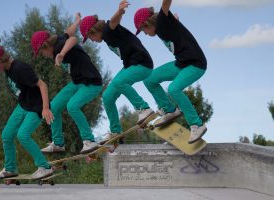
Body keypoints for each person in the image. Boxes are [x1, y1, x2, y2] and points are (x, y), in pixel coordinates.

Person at [80, 0, 168, 144]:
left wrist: (120, 12)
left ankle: (144, 109)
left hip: (142, 64)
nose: (92, 40)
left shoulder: (108, 31)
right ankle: (116, 131)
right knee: (108, 96)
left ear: (93, 31)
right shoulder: (107, 37)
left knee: (121, 82)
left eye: (90, 37)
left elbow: (113, 22)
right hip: (130, 66)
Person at [134, 0, 208, 144]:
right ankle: (169, 109)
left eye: (144, 31)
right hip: (181, 64)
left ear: (147, 23)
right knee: (149, 79)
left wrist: (171, 18)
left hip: (195, 64)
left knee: (174, 89)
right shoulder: (166, 24)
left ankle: (197, 125)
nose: (146, 34)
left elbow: (166, 4)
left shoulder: (162, 20)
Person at [31, 13, 103, 153]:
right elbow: (69, 32)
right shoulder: (59, 39)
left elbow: (74, 39)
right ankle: (58, 143)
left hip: (91, 82)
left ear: (45, 45)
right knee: (53, 107)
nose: (42, 55)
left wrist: (62, 54)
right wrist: (77, 22)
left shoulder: (58, 46)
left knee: (72, 106)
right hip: (77, 83)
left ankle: (89, 140)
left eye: (41, 52)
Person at [0, 45, 54, 180]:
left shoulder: (20, 68)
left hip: (36, 106)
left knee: (23, 135)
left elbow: (42, 85)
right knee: (7, 135)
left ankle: (45, 167)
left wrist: (45, 108)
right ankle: (10, 169)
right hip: (23, 105)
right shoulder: (7, 69)